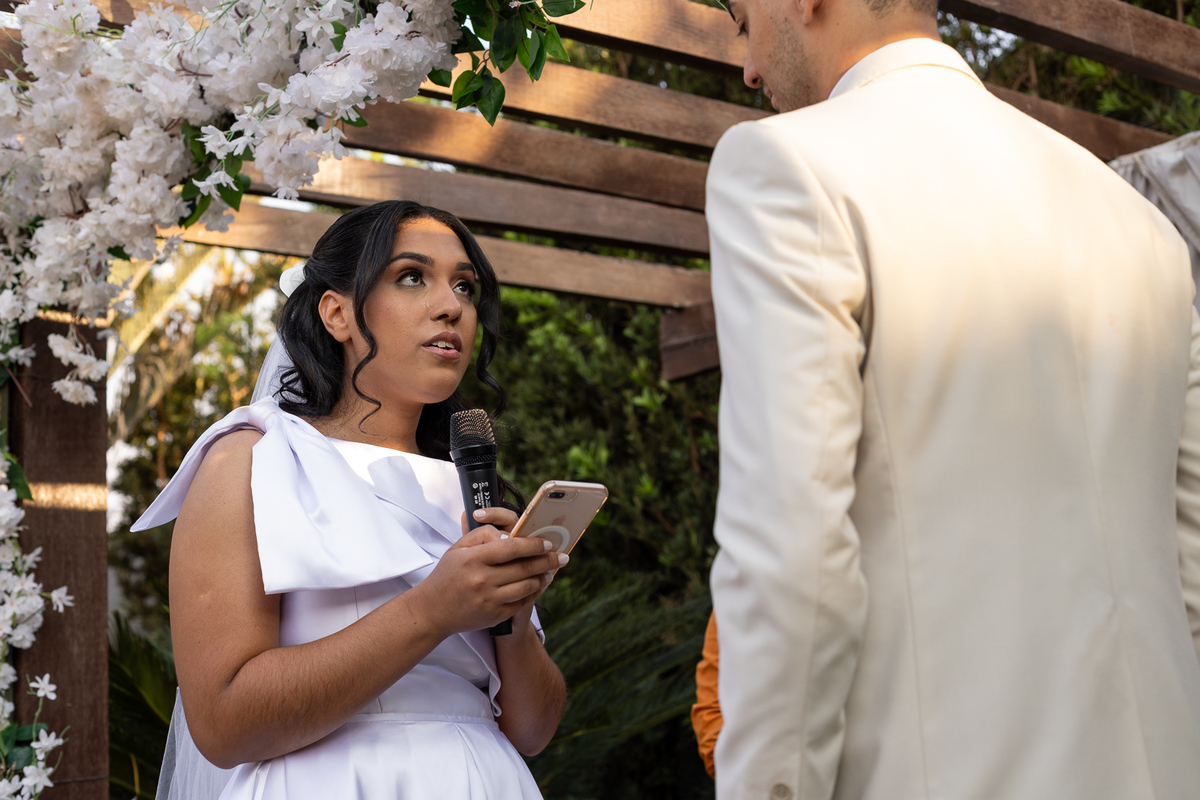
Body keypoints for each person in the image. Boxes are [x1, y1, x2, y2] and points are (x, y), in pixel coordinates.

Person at [707, 2, 1200, 800]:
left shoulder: (785, 166)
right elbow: (1191, 565)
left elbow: (792, 553)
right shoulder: (1145, 229)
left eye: (741, 21)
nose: (748, 66)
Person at [132, 200, 567, 799]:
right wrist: (433, 609)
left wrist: (509, 612)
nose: (451, 306)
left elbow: (535, 730)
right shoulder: (250, 459)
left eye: (465, 286)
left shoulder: (466, 483)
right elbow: (224, 723)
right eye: (412, 277)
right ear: (335, 312)